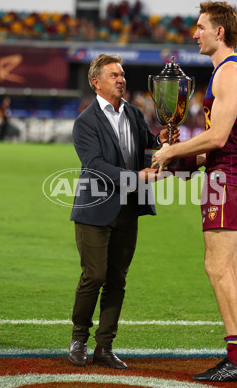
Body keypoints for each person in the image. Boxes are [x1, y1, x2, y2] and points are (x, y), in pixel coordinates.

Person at [151, 1, 237, 382]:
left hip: (229, 176)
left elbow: (219, 137)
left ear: (220, 32)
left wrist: (171, 150)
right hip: (232, 172)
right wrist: (184, 158)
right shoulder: (235, 69)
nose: (194, 33)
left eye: (201, 26)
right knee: (230, 264)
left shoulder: (228, 73)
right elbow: (225, 140)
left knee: (216, 265)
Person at [69, 54, 167, 370]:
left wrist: (163, 142)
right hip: (95, 209)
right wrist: (135, 177)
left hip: (128, 209)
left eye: (122, 74)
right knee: (94, 275)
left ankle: (105, 347)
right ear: (96, 82)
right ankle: (78, 340)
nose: (121, 79)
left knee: (117, 279)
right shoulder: (85, 122)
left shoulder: (136, 115)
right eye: (114, 75)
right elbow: (94, 165)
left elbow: (147, 147)